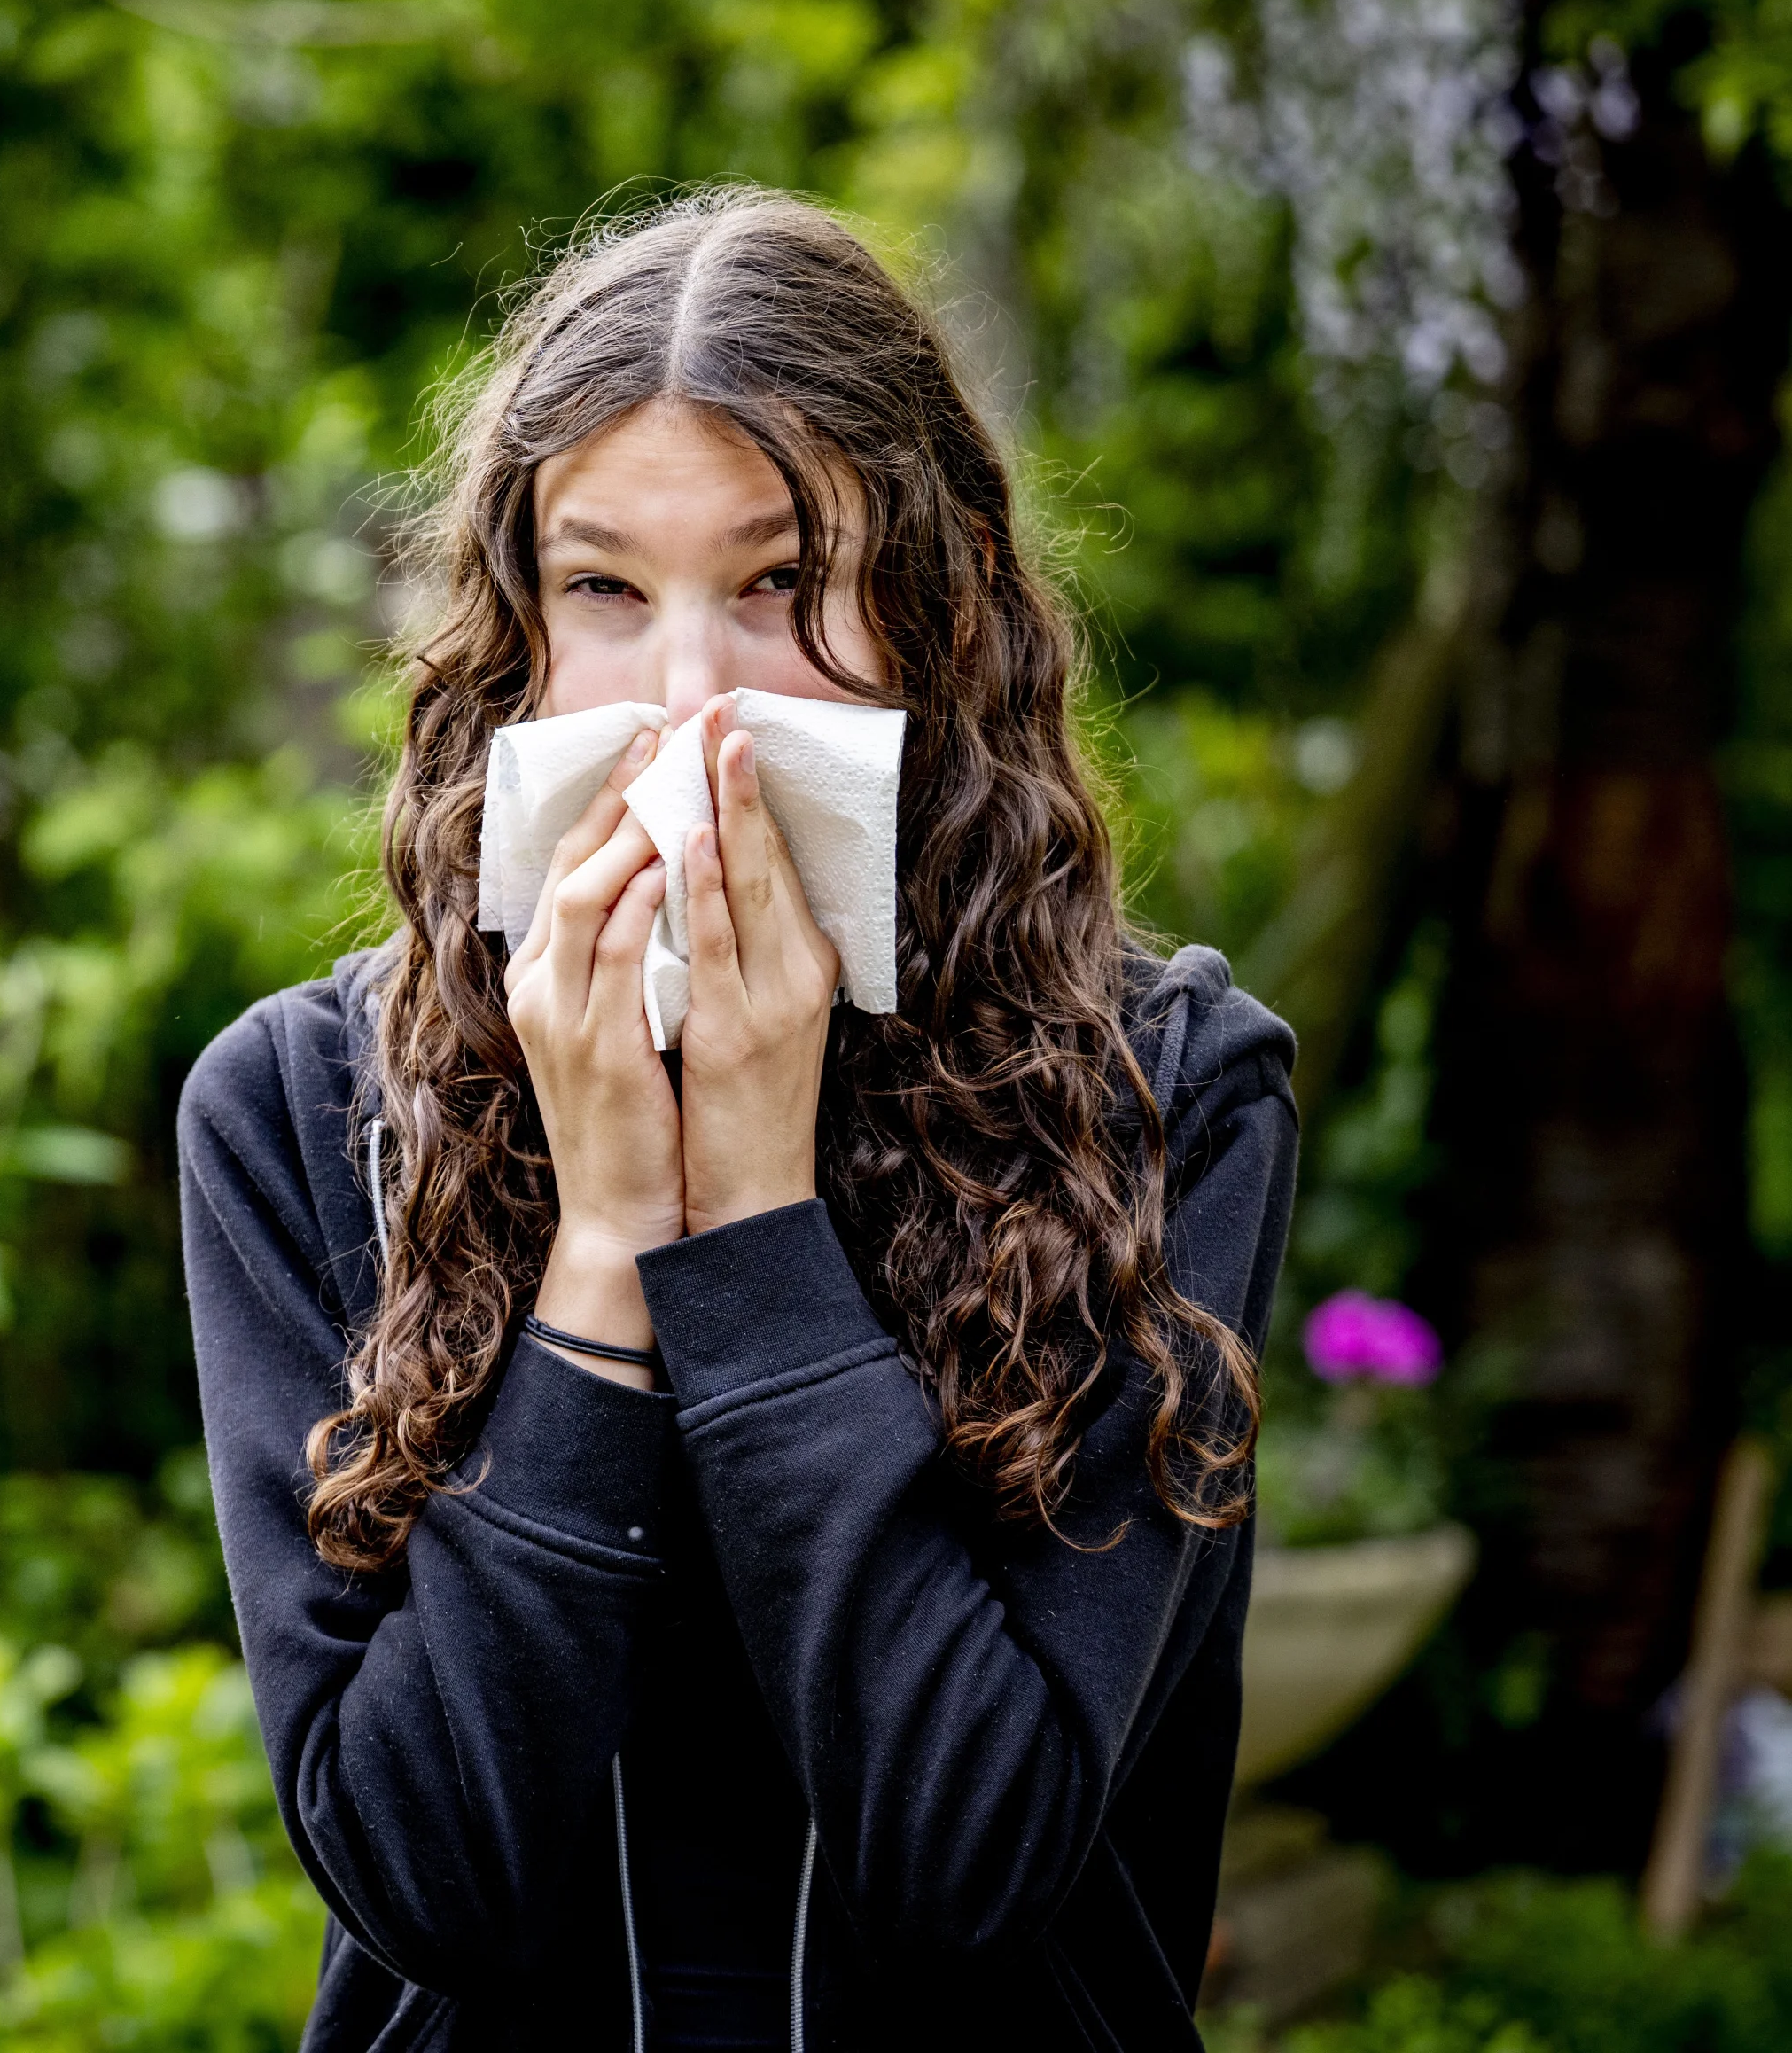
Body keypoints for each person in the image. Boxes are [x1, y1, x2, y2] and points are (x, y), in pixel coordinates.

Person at [177, 188, 1297, 2051]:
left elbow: (975, 1858)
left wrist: (758, 1207)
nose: (688, 700)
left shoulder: (1166, 1090)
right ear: (518, 640)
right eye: (604, 589)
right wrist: (607, 1240)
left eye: (782, 583)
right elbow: (419, 1872)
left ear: (934, 617)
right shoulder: (302, 1110)